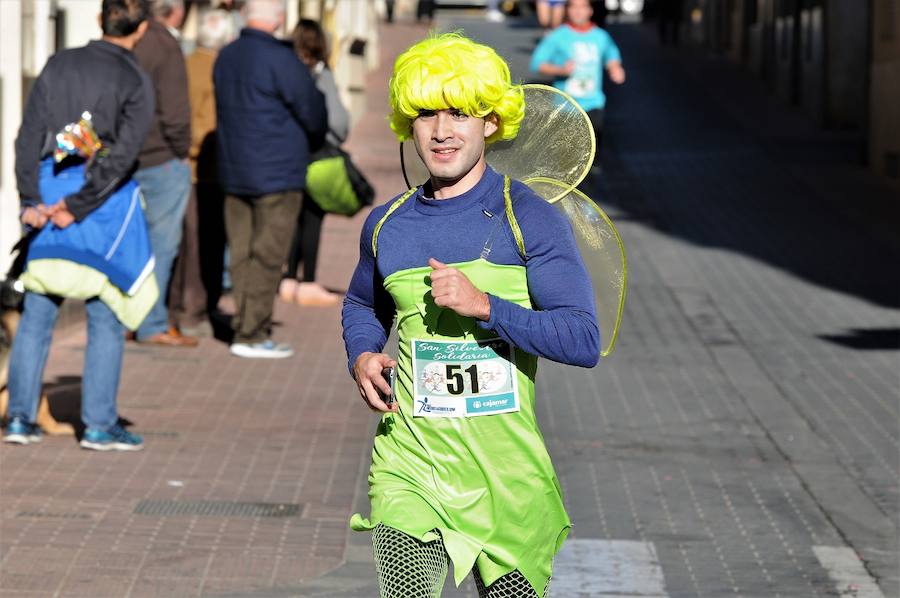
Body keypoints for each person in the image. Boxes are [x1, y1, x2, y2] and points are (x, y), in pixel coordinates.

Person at [342, 33, 600, 597]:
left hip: (505, 474)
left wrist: (487, 307)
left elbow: (582, 338)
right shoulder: (387, 225)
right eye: (426, 113)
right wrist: (362, 353)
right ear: (407, 123)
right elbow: (363, 302)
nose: (441, 130)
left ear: (490, 122)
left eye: (460, 112)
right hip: (412, 463)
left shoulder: (528, 217)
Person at [4, 0, 155, 451]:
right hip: (100, 207)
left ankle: (19, 418)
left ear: (99, 18)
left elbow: (28, 134)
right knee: (106, 313)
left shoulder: (59, 64)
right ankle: (98, 425)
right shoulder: (135, 79)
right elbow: (123, 154)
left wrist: (31, 199)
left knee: (37, 314)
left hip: (48, 199)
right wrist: (80, 203)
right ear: (142, 28)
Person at [214, 0, 327, 358]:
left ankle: (244, 325)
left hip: (234, 169)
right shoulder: (283, 60)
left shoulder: (227, 56)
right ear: (277, 18)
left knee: (243, 253)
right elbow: (312, 112)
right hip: (276, 173)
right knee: (266, 255)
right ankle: (251, 332)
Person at [132, 0, 197, 346]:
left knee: (136, 243)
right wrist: (182, 150)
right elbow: (175, 110)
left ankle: (133, 318)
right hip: (161, 157)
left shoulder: (135, 39)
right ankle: (151, 323)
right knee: (162, 243)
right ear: (177, 11)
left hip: (131, 156)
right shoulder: (166, 45)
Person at [168, 8, 234, 337]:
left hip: (185, 166)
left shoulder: (187, 61)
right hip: (204, 170)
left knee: (187, 243)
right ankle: (193, 312)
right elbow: (206, 124)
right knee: (201, 244)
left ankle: (187, 308)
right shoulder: (215, 68)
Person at [278, 19, 350, 308]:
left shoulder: (285, 68)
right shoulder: (321, 74)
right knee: (312, 218)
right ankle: (307, 281)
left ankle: (288, 278)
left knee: (294, 217)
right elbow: (339, 123)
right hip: (315, 156)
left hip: (287, 155)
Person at [530, 0, 625, 174]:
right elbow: (537, 63)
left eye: (583, 7)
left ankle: (591, 182)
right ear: (567, 11)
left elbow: (611, 53)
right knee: (567, 159)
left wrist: (615, 67)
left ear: (590, 10)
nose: (578, 12)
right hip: (566, 105)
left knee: (592, 157)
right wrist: (560, 69)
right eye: (573, 7)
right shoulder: (557, 36)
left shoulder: (600, 36)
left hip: (593, 103)